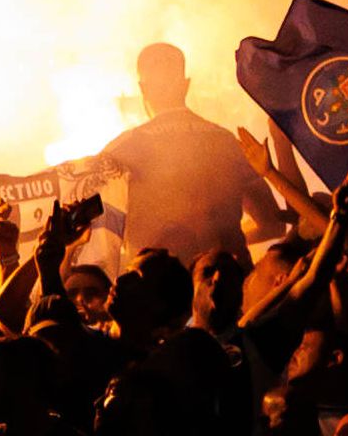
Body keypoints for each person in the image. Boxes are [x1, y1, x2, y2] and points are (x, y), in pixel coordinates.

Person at [96, 45, 277, 271]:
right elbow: (272, 224)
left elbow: (95, 237)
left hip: (155, 291)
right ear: (186, 84)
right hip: (229, 286)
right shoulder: (227, 142)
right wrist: (219, 244)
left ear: (143, 89)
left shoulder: (123, 149)